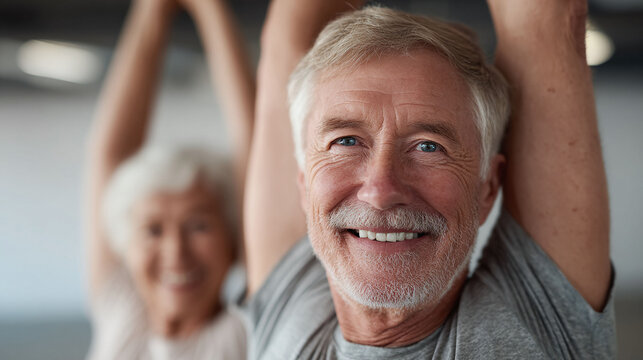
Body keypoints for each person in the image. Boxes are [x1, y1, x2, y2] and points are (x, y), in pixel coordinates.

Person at [242, 0, 615, 359]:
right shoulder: (290, 305)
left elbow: (545, 19)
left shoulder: (540, 323)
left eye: (428, 147)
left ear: (487, 187)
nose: (380, 191)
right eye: (346, 141)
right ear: (304, 185)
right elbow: (289, 39)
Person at [84, 0, 254, 358]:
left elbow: (256, 148)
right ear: (127, 244)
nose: (175, 253)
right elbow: (111, 155)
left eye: (199, 226)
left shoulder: (248, 330)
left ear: (234, 239)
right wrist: (151, 10)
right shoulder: (122, 308)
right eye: (153, 230)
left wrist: (211, 11)